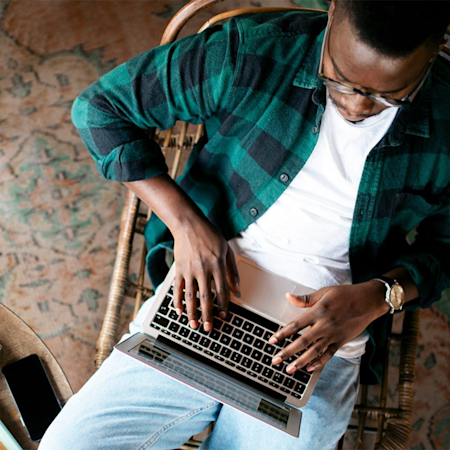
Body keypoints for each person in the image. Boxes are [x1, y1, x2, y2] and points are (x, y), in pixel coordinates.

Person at [40, 0, 450, 449]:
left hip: (324, 338)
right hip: (203, 297)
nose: (356, 105)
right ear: (332, 11)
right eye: (339, 79)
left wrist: (379, 297)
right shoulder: (252, 52)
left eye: (388, 97)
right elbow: (100, 109)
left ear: (434, 53)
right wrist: (187, 226)